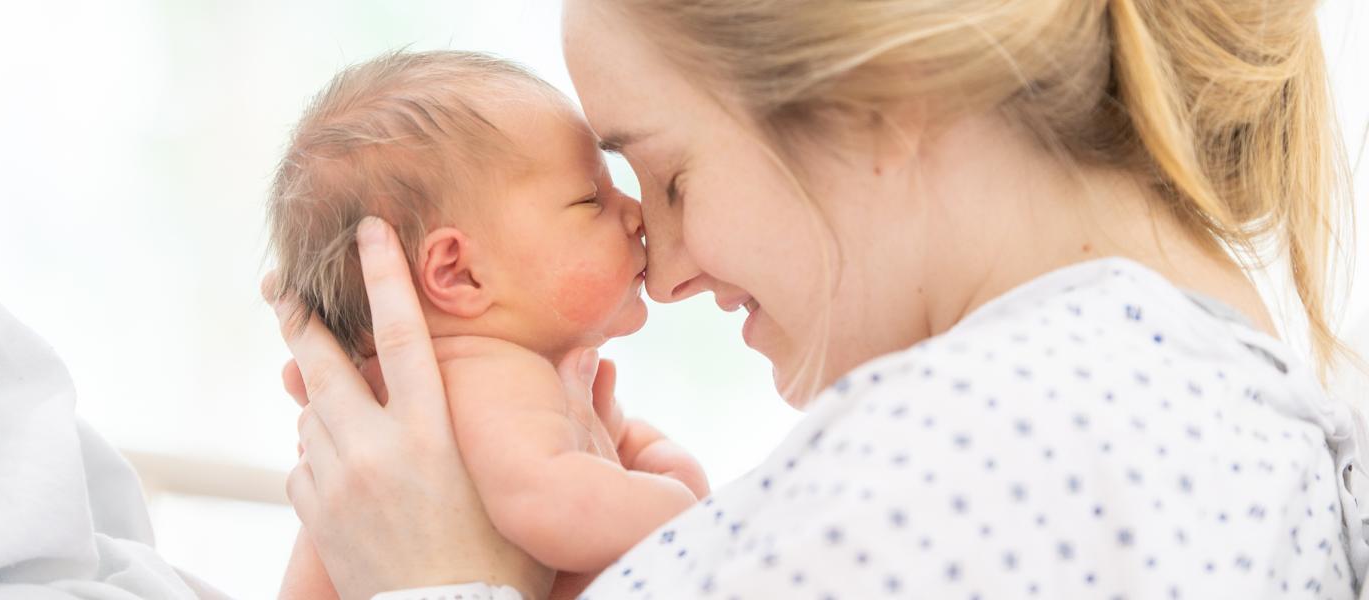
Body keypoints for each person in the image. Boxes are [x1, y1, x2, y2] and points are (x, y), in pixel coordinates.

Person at [270, 0, 1367, 598]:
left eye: (673, 176)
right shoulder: (1227, 416)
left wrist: (432, 585)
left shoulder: (967, 461)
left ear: (874, 99)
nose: (661, 271)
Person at [266, 49, 706, 600]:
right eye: (591, 198)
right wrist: (685, 505)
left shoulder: (440, 396)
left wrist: (632, 452)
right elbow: (551, 504)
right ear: (458, 272)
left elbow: (574, 463)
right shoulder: (492, 379)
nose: (636, 211)